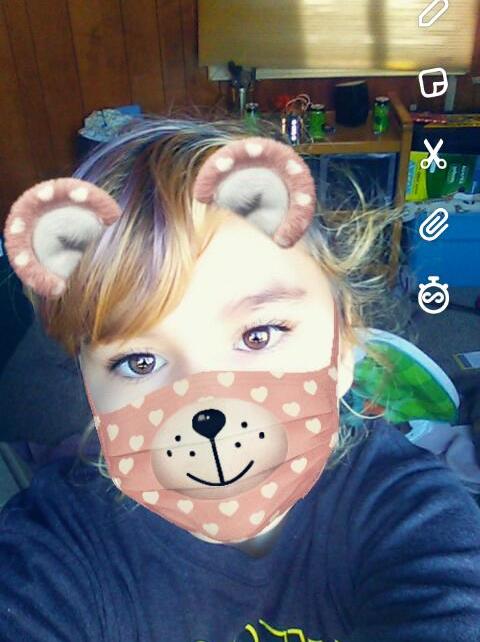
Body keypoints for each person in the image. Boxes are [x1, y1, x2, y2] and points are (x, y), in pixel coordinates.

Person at [1, 115, 480, 642]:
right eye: (139, 362)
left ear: (343, 345)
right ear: (90, 389)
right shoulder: (57, 546)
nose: (204, 404)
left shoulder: (411, 514)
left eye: (259, 335)